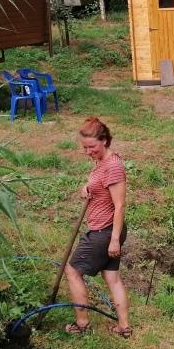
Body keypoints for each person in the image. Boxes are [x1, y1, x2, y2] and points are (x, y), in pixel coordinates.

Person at [64, 116, 132, 337]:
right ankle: (124, 327)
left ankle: (82, 324)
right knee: (111, 277)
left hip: (105, 232)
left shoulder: (113, 166)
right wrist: (87, 187)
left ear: (104, 141)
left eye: (92, 147)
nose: (88, 152)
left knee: (73, 271)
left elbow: (120, 205)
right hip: (108, 231)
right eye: (84, 147)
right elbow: (99, 184)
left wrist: (113, 239)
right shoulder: (103, 163)